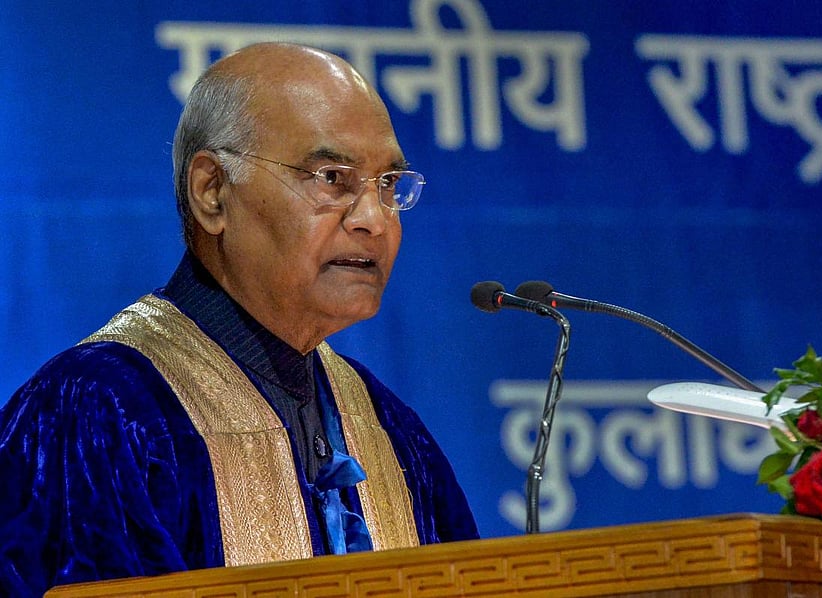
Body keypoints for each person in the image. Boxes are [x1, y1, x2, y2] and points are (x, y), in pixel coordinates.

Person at [0, 42, 478, 597]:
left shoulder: (388, 429)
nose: (374, 219)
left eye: (389, 184)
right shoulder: (100, 413)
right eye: (331, 178)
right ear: (213, 193)